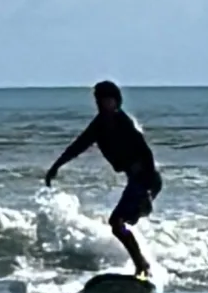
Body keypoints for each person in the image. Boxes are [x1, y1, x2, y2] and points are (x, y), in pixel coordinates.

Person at [45, 81, 162, 278]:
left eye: (106, 100)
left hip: (146, 179)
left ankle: (142, 265)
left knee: (116, 222)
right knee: (120, 225)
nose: (101, 104)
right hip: (136, 182)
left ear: (116, 102)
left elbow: (145, 152)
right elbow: (78, 145)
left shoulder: (123, 122)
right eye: (98, 100)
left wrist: (147, 189)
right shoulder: (99, 125)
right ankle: (142, 263)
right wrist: (56, 166)